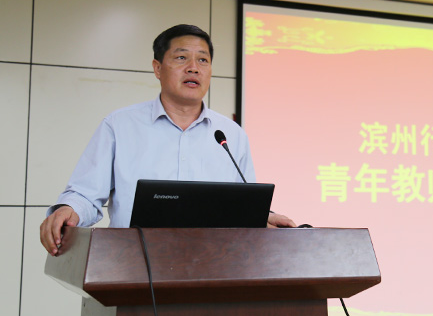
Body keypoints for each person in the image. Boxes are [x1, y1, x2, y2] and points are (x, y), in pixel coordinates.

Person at [40, 24, 295, 256]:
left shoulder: (231, 134)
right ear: (158, 68)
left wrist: (264, 217)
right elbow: (85, 195)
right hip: (133, 266)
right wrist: (68, 210)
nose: (193, 67)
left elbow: (244, 204)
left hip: (214, 265)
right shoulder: (120, 126)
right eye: (181, 57)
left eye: (203, 60)